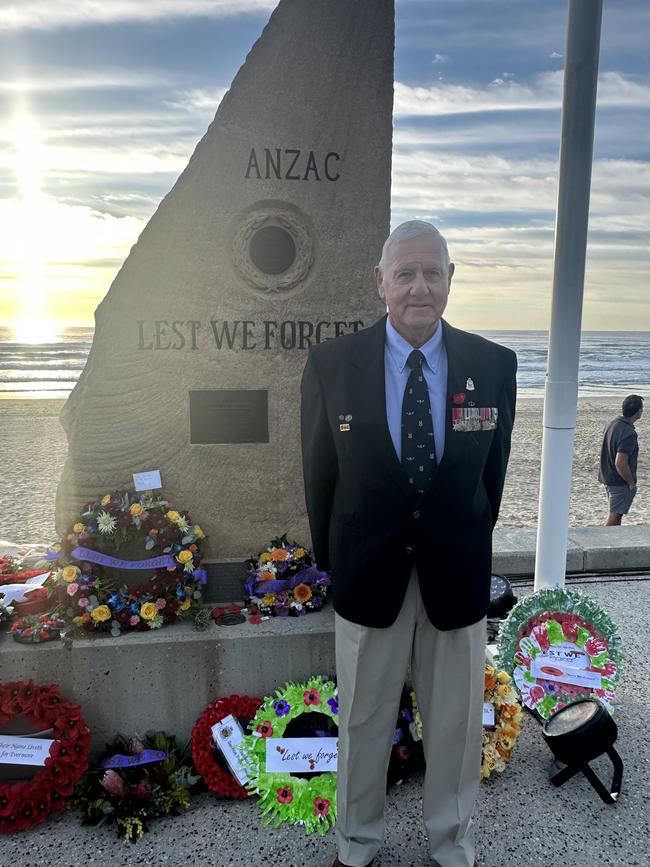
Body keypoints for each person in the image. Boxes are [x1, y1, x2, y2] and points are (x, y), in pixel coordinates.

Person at [300, 221, 517, 867]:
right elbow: (320, 476)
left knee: (454, 721)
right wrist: (335, 565)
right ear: (380, 282)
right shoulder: (332, 364)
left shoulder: (493, 364)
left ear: (451, 278)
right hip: (370, 574)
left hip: (456, 571)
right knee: (363, 721)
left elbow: (492, 476)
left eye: (432, 272)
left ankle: (453, 844)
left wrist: (465, 540)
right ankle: (356, 843)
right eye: (405, 273)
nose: (418, 287)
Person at [599, 394, 644, 525]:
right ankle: (604, 542)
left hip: (607, 475)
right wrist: (631, 483)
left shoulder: (612, 423)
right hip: (619, 481)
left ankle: (610, 541)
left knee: (614, 514)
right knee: (615, 516)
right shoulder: (629, 433)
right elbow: (620, 462)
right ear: (639, 412)